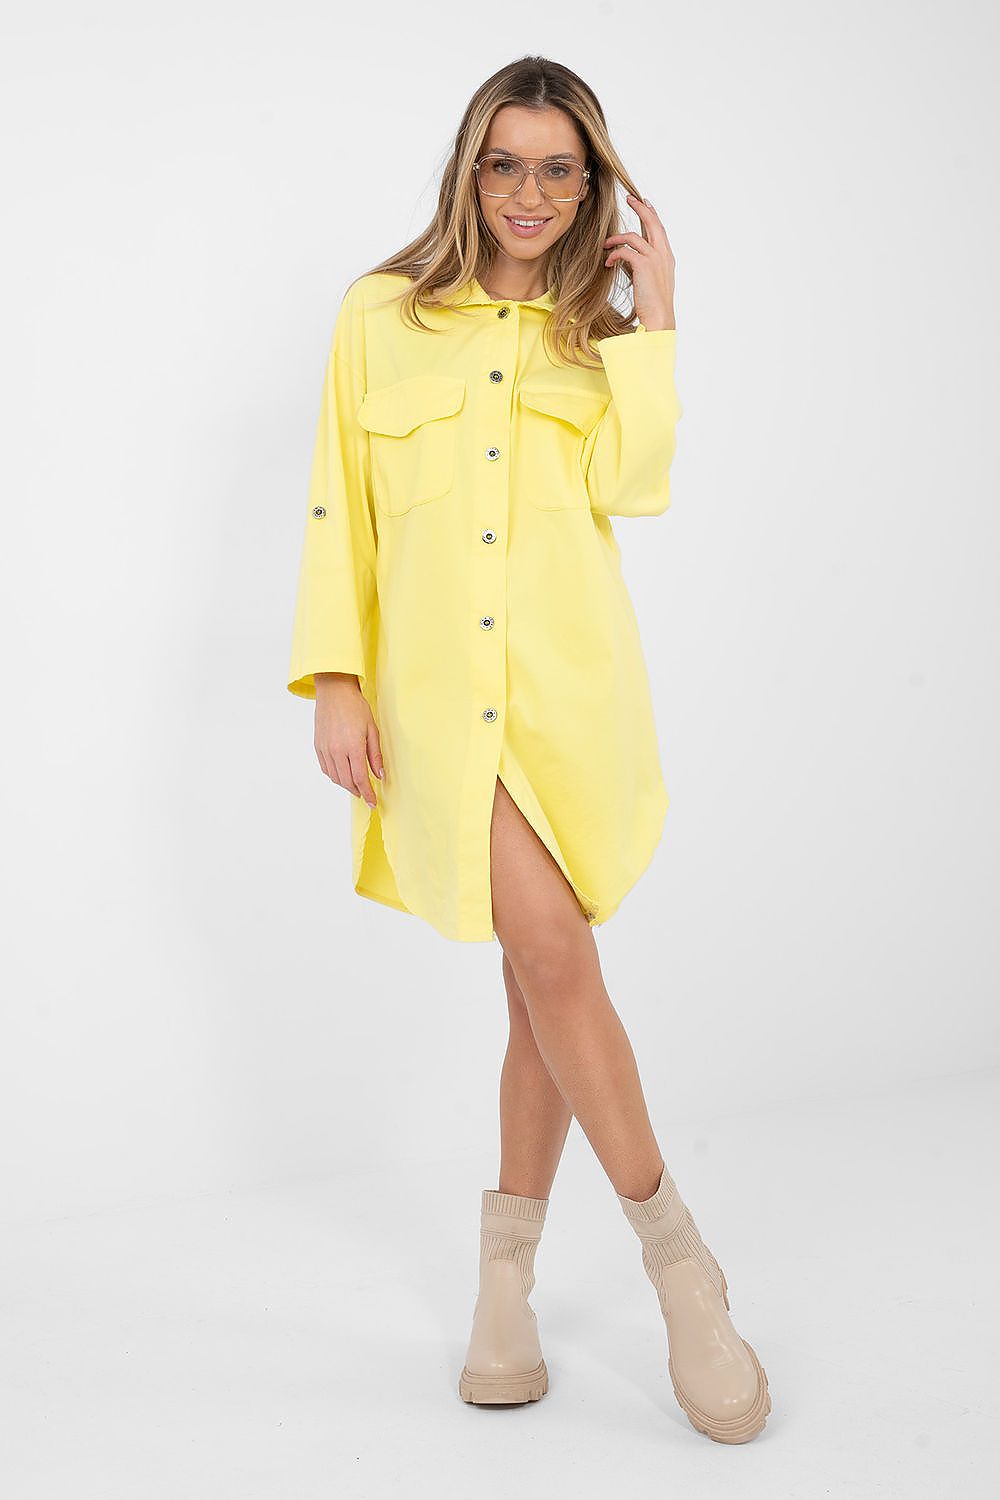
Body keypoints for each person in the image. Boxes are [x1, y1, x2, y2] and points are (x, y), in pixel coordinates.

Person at [286, 56, 771, 1444]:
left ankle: (505, 1288)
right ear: (469, 169)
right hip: (441, 713)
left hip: (573, 706)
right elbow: (338, 504)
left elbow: (638, 487)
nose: (531, 193)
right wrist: (337, 678)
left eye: (561, 168)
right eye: (507, 163)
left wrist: (656, 320)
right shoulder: (379, 316)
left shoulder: (597, 336)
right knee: (557, 963)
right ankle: (684, 1270)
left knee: (534, 997)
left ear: (594, 184)